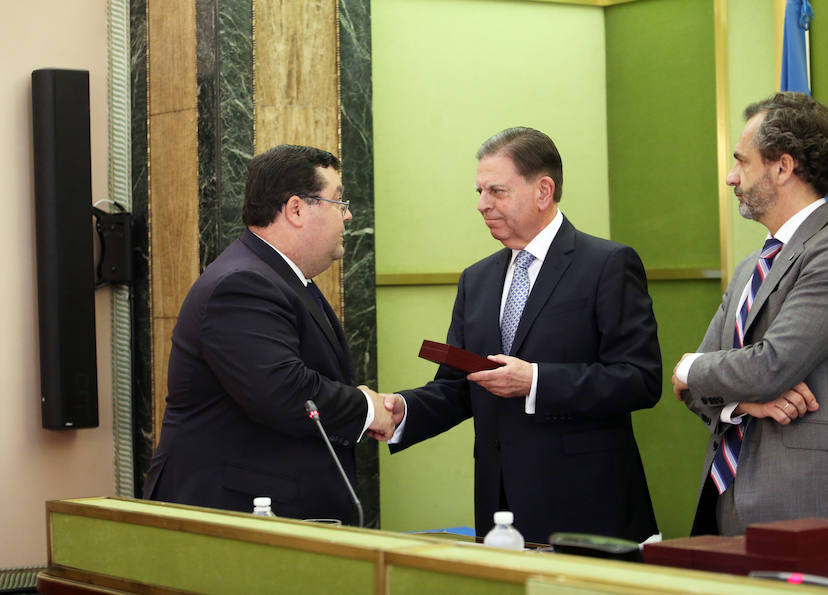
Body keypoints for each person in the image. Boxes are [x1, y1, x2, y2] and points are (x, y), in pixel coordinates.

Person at [373, 127, 662, 544]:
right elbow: (458, 386)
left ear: (543, 191)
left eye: (497, 191)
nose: (482, 205)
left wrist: (536, 382)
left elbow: (640, 379)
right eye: (479, 191)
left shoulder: (607, 265)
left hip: (587, 507)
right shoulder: (477, 279)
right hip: (499, 508)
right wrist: (403, 411)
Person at [144, 144, 394, 523]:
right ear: (296, 209)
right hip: (234, 516)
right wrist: (366, 409)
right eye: (339, 202)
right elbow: (284, 391)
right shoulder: (243, 283)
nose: (348, 216)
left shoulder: (282, 278)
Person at [672, 92, 828, 536]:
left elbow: (770, 365)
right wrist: (741, 402)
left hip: (808, 508)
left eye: (742, 162)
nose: (732, 178)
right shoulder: (753, 264)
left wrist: (690, 366)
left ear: (783, 167)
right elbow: (693, 393)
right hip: (725, 502)